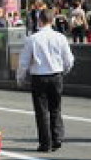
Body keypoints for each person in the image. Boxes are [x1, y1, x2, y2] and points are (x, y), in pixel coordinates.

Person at [17, 8, 75, 152]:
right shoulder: (60, 38)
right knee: (55, 108)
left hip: (39, 77)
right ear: (52, 20)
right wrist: (64, 70)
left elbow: (24, 62)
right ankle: (57, 138)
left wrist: (20, 77)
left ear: (39, 21)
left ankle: (45, 143)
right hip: (56, 75)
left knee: (41, 111)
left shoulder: (32, 39)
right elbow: (69, 59)